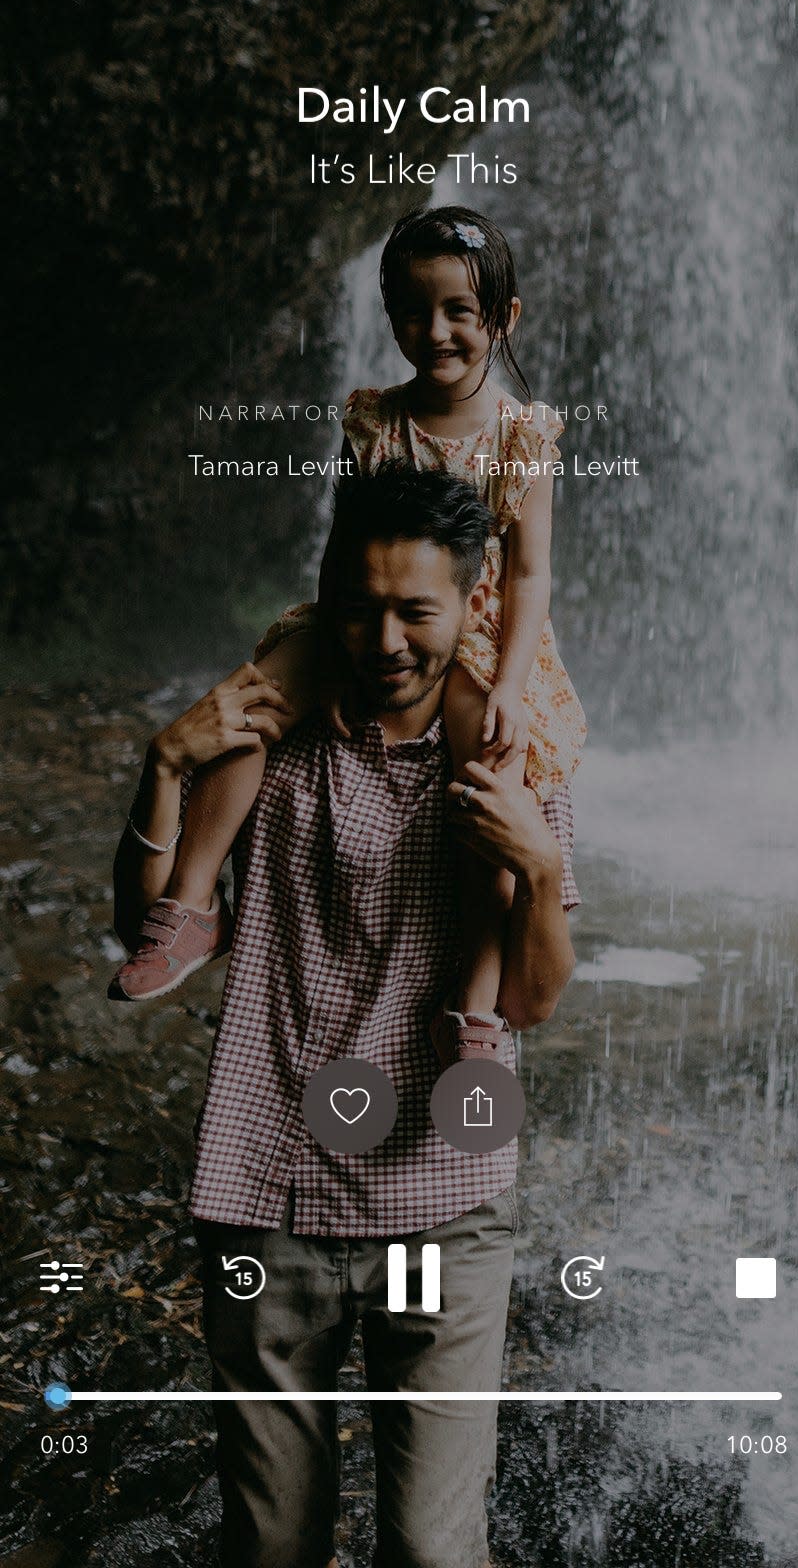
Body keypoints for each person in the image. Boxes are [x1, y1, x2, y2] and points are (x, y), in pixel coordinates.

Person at [112, 464, 580, 1568]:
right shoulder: (265, 726)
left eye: (414, 611)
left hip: (440, 1195)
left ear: (469, 607)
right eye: (358, 605)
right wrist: (165, 759)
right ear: (323, 592)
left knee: (430, 1548)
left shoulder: (516, 755)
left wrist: (544, 866)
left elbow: (532, 999)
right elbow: (143, 924)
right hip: (266, 1181)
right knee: (271, 1546)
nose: (383, 640)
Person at [111, 206, 586, 1068]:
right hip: (361, 617)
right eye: (412, 311)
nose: (434, 332)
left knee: (492, 772)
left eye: (459, 313)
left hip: (473, 639)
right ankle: (189, 904)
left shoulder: (522, 436)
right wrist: (330, 666)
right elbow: (341, 552)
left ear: (504, 319)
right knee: (255, 693)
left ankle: (475, 1001)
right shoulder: (372, 418)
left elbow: (526, 576)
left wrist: (512, 687)